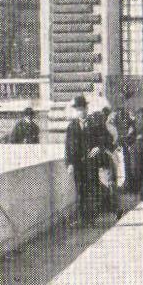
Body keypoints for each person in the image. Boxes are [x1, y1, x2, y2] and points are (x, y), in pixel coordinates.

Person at [65, 93, 96, 223]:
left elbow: (104, 138)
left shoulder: (93, 124)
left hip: (91, 162)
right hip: (77, 163)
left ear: (86, 109)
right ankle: (83, 217)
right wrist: (69, 163)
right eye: (78, 110)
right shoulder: (71, 126)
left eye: (82, 109)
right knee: (80, 190)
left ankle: (91, 217)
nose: (81, 112)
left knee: (91, 189)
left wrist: (98, 147)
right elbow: (68, 147)